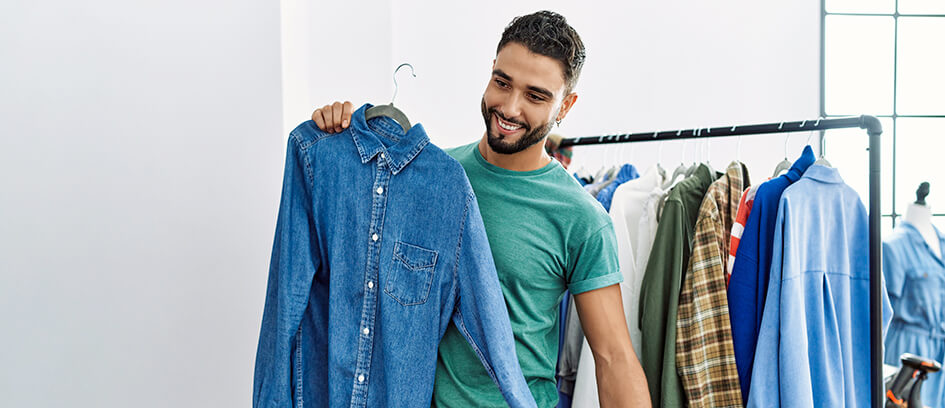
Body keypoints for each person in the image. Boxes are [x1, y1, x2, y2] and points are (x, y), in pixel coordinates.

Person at [309, 11, 650, 407]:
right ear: (490, 72)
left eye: (535, 96)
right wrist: (335, 138)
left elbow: (614, 358)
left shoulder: (581, 218)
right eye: (501, 83)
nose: (509, 107)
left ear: (566, 105)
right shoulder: (429, 180)